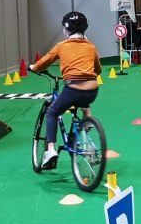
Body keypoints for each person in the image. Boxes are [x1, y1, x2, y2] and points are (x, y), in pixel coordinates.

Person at [31, 12, 102, 169]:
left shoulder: (62, 46)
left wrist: (34, 68)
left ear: (66, 28)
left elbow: (44, 62)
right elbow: (98, 69)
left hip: (73, 89)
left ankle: (50, 150)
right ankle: (87, 123)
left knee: (52, 112)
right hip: (92, 90)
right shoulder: (91, 47)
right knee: (84, 101)